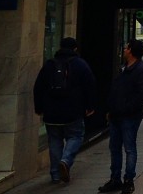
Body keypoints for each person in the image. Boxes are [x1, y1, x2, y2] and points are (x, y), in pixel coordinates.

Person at [33, 37, 96, 185]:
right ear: (75, 49)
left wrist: (39, 108)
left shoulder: (49, 65)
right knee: (76, 136)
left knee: (54, 141)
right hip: (73, 111)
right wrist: (90, 106)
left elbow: (38, 87)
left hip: (51, 113)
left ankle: (55, 174)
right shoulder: (80, 65)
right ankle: (66, 160)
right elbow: (90, 85)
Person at [99, 39, 143, 194]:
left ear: (131, 51)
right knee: (114, 148)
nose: (124, 50)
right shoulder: (123, 68)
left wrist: (126, 109)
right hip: (116, 115)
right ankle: (115, 178)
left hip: (129, 116)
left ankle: (128, 180)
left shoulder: (141, 70)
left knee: (129, 148)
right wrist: (110, 108)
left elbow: (141, 96)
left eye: (126, 48)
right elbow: (115, 91)